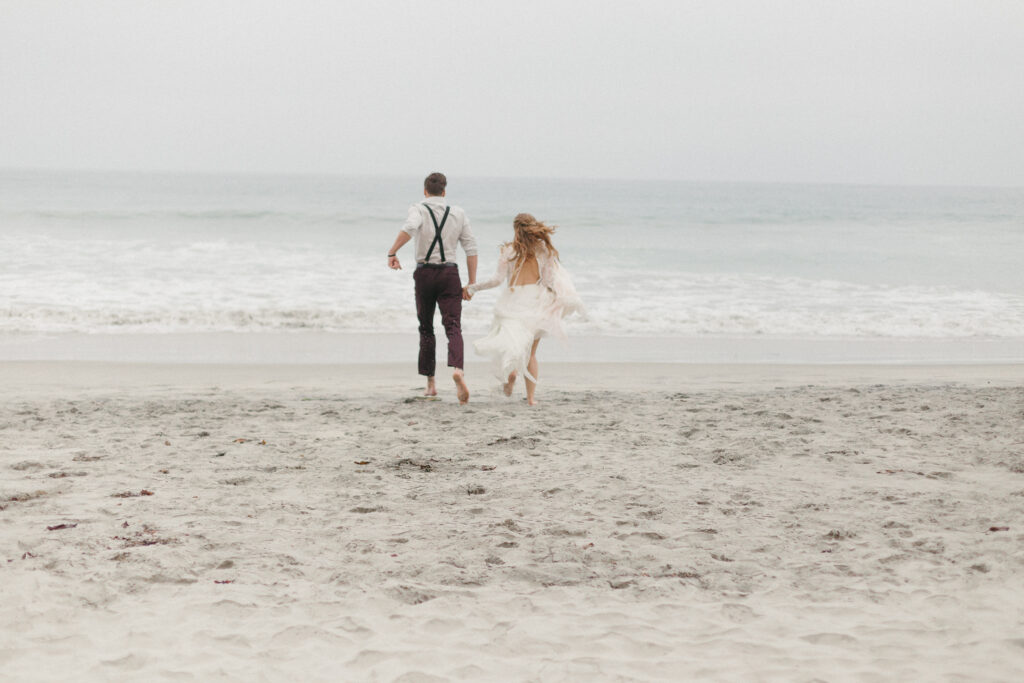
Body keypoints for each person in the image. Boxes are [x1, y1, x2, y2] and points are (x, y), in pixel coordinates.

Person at [464, 213, 582, 406]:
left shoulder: (508, 251)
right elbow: (548, 281)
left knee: (512, 343)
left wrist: (473, 288)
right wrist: (556, 299)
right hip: (535, 301)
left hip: (512, 301)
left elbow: (497, 280)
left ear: (515, 229)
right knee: (531, 353)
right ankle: (531, 399)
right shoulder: (544, 251)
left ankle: (511, 373)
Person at [387, 172, 478, 403]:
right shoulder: (458, 213)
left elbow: (409, 228)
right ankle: (458, 369)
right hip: (450, 273)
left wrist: (392, 252)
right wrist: (472, 283)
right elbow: (471, 248)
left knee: (426, 327)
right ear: (444, 192)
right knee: (453, 326)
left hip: (425, 273)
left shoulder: (418, 209)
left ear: (425, 191)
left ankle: (431, 384)